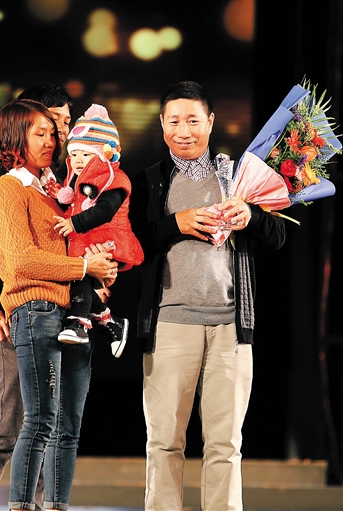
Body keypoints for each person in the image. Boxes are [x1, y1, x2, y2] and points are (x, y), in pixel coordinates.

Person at [130, 81, 286, 510]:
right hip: (170, 323)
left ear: (211, 122)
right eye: (175, 121)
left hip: (231, 328)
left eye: (193, 121)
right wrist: (174, 223)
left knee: (225, 445)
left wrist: (251, 215)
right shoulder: (148, 182)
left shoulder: (237, 177)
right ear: (162, 124)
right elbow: (131, 245)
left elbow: (277, 236)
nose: (184, 131)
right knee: (164, 442)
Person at [0, 99, 116, 511]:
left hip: (73, 315)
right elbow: (19, 262)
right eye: (39, 134)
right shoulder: (7, 188)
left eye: (53, 134)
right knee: (40, 421)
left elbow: (78, 247)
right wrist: (83, 267)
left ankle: (56, 506)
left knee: (68, 427)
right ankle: (22, 506)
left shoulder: (55, 192)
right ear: (13, 138)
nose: (51, 142)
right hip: (36, 310)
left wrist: (100, 270)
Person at [0, 84, 72, 511]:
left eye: (62, 125)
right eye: (49, 124)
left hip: (50, 309)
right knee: (10, 416)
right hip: (6, 312)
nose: (57, 134)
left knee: (48, 417)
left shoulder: (55, 183)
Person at [53, 104, 144, 357]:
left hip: (109, 239)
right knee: (80, 276)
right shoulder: (79, 180)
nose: (78, 160)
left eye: (86, 154)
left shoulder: (115, 178)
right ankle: (109, 322)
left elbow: (105, 211)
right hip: (91, 239)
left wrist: (73, 224)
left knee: (80, 275)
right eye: (74, 154)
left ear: (105, 154)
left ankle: (79, 323)